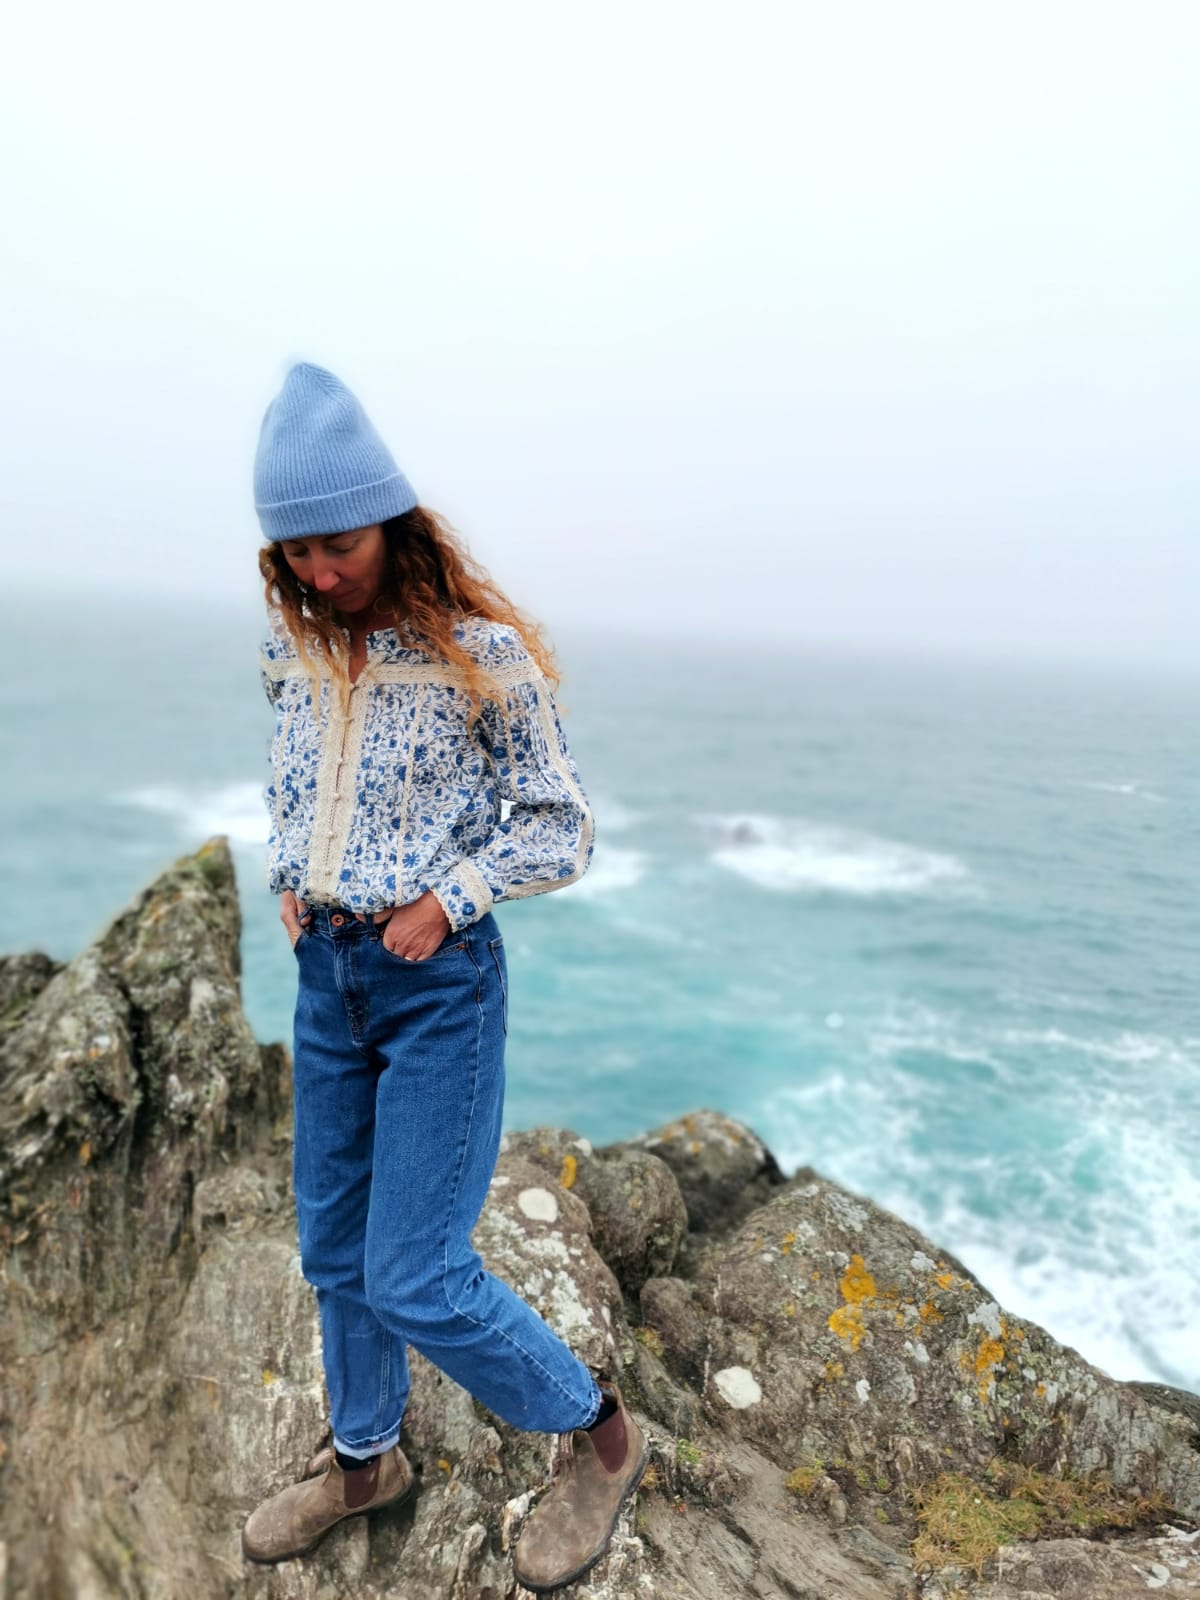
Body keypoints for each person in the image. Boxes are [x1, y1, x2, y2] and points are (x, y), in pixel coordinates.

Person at [239, 362, 648, 1591]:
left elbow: (561, 826)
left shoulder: (483, 654)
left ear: (395, 520)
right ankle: (367, 1460)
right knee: (332, 1250)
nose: (320, 572)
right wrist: (290, 878)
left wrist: (443, 902)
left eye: (341, 542)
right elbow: (291, 783)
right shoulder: (295, 651)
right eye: (296, 551)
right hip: (332, 982)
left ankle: (600, 1432)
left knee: (413, 1269)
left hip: (438, 984)